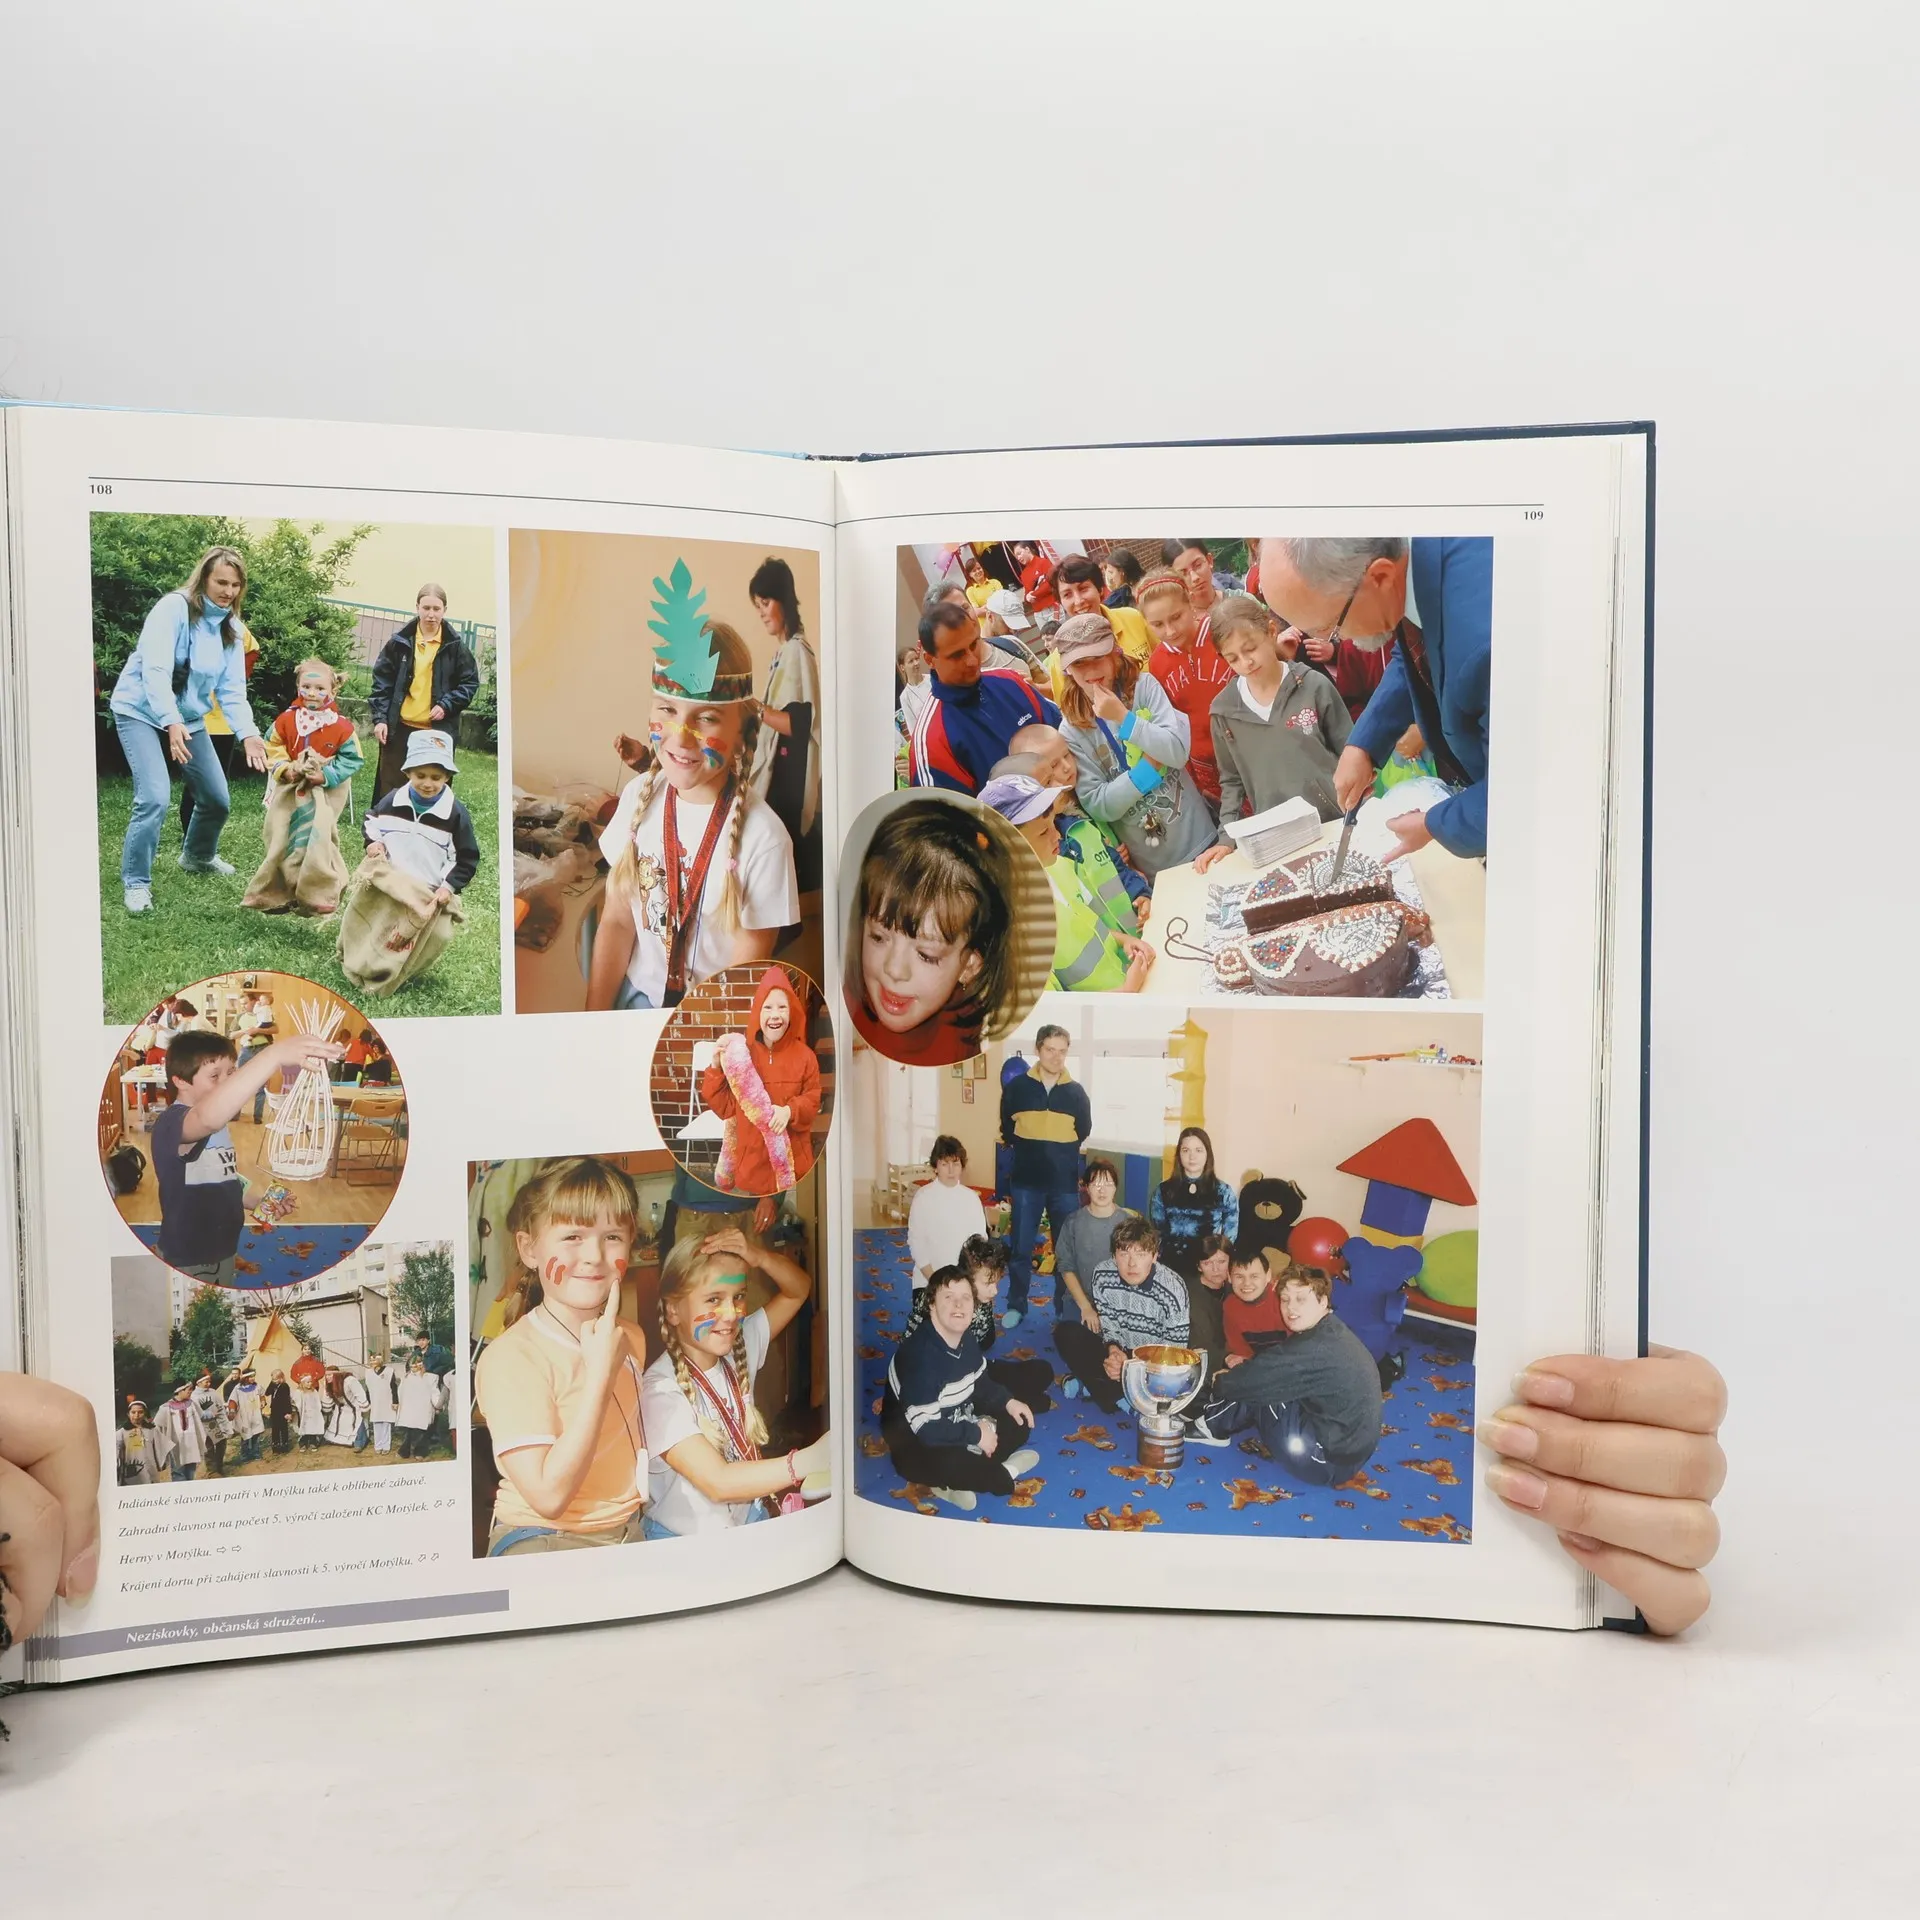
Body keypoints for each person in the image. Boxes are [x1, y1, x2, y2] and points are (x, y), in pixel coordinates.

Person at [590, 620, 798, 1011]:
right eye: (668, 709)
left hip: (709, 1021)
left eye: (706, 718)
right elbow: (617, 922)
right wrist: (593, 1019)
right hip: (634, 1001)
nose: (682, 735)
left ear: (743, 731)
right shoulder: (637, 798)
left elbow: (744, 977)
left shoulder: (765, 840)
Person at [1258, 536, 1491, 862]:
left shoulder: (1484, 639)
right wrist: (1363, 745)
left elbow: (1524, 794)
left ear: (1379, 577)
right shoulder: (1408, 572)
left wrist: (1434, 825)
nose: (1338, 642)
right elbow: (1414, 652)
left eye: (1331, 630)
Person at [473, 1158, 651, 1552]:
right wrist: (600, 1377)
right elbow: (548, 1498)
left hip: (628, 1531)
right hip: (547, 1538)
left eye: (612, 1236)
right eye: (572, 1236)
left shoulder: (632, 1337)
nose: (594, 1255)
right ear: (529, 1249)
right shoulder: (512, 1357)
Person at [109, 544, 268, 915]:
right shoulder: (172, 609)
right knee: (154, 797)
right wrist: (171, 720)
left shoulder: (231, 628)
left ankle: (197, 856)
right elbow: (156, 671)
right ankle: (136, 882)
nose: (228, 591)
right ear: (204, 579)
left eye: (236, 585)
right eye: (221, 582)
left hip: (189, 717)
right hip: (141, 710)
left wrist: (248, 733)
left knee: (216, 798)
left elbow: (232, 690)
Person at [640, 1227, 829, 1537]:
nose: (730, 1314)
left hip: (745, 1520)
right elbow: (718, 1483)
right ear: (673, 1310)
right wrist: (808, 1460)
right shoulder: (659, 1391)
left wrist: (760, 1257)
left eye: (738, 1296)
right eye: (713, 1299)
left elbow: (799, 1289)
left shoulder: (739, 1344)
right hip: (685, 1541)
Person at [149, 1027, 345, 1288]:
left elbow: (219, 1176)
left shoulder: (218, 1126)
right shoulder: (173, 1123)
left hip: (224, 1248)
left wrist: (257, 1201)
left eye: (231, 1073)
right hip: (189, 1255)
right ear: (181, 1081)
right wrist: (274, 1055)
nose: (226, 1082)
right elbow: (206, 1118)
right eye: (214, 1076)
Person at [846, 796, 1019, 1065]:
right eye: (878, 937)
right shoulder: (843, 1013)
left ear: (969, 966)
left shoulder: (965, 1030)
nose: (894, 970)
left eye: (926, 955)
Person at [1194, 593, 1355, 869]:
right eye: (1233, 658)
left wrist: (1361, 803)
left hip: (1334, 822)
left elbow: (1350, 751)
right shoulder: (1223, 712)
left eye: (1250, 649)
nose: (1246, 662)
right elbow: (1231, 781)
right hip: (1277, 841)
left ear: (1271, 632)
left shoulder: (1313, 685)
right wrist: (1226, 837)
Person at [1053, 612, 1215, 879]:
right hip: (1153, 869)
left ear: (1115, 653)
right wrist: (1148, 770)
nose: (1091, 671)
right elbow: (1097, 803)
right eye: (1079, 663)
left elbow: (1176, 752)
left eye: (1098, 657)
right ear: (1066, 669)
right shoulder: (1071, 729)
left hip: (1201, 838)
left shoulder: (1144, 686)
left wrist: (1124, 718)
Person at [1186, 1266, 1382, 1484]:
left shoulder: (1314, 1347)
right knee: (1265, 1374)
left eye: (1301, 1299)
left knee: (1261, 1385)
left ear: (1323, 1301)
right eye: (1285, 1299)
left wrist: (1220, 1382)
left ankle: (1210, 1426)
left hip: (1323, 1462)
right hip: (1347, 1453)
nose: (1291, 1307)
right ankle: (1217, 1416)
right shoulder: (1331, 1331)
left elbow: (1255, 1379)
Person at [882, 1266, 1041, 1512]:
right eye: (949, 1297)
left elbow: (981, 1383)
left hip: (957, 1418)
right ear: (932, 1305)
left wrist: (1009, 1402)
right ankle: (1004, 1471)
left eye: (966, 1298)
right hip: (915, 1441)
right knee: (960, 1467)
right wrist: (977, 1434)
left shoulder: (965, 1338)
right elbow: (927, 1430)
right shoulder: (920, 1357)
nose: (959, 1305)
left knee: (1019, 1421)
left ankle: (961, 1480)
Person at [980, 775, 1155, 995]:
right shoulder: (1010, 927)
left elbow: (1091, 930)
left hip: (1129, 988)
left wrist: (1124, 940)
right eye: (1043, 832)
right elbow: (1053, 1009)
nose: (1057, 836)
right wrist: (1125, 992)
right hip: (1109, 1011)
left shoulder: (1060, 866)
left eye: (1053, 824)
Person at [242, 656, 365, 916]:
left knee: (318, 837)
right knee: (281, 835)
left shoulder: (341, 727)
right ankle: (274, 893)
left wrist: (326, 775)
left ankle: (318, 892)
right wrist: (285, 768)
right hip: (291, 786)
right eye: (306, 687)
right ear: (298, 687)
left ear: (332, 691)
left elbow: (353, 758)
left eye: (320, 688)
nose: (312, 693)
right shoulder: (287, 720)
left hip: (326, 791)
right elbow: (272, 745)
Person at [906, 599, 1061, 794]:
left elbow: (1065, 737)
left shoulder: (1011, 682)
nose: (971, 660)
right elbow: (950, 812)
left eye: (974, 645)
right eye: (957, 655)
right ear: (930, 659)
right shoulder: (931, 741)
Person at [1001, 728, 1152, 924]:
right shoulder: (1048, 849)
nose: (1066, 767)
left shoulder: (1081, 820)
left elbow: (1115, 868)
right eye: (1053, 767)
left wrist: (1139, 890)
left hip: (1135, 922)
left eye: (1067, 754)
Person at [698, 964, 822, 1197]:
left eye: (782, 1007)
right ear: (757, 1012)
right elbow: (725, 1108)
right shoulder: (742, 1056)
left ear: (792, 1011)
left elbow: (813, 1099)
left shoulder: (806, 1057)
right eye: (768, 1007)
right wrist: (715, 1068)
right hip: (751, 1168)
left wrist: (790, 1111)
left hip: (793, 1167)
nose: (775, 1015)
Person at [997, 1022, 1090, 1329]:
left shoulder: (1076, 1093)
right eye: (1050, 1049)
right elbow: (1008, 1128)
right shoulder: (1017, 1089)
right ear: (1038, 1049)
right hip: (1026, 1183)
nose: (1056, 1057)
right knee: (1021, 1250)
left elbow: (1083, 1131)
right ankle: (1017, 1306)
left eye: (1062, 1051)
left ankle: (1063, 1309)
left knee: (1066, 1253)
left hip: (1064, 1187)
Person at [1053, 1216, 1191, 1413]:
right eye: (1124, 1254)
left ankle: (1099, 1389)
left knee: (1177, 1380)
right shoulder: (1102, 1275)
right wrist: (1113, 1350)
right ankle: (1120, 1396)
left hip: (1151, 1362)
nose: (1132, 1264)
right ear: (1114, 1255)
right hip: (1120, 1351)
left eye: (1141, 1254)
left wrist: (1131, 1369)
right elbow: (1109, 1325)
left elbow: (1174, 1352)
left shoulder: (1173, 1289)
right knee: (1066, 1332)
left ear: (1154, 1256)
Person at [746, 555, 823, 896]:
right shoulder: (783, 653)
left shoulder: (796, 652)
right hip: (782, 774)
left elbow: (798, 725)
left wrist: (753, 707)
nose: (762, 613)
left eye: (766, 603)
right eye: (758, 606)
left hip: (788, 780)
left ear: (784, 600)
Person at [368, 583, 480, 803]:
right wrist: (380, 719)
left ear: (444, 610)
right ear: (417, 607)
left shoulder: (456, 647)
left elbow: (469, 683)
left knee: (431, 792)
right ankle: (385, 827)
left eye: (436, 609)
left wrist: (447, 704)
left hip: (436, 733)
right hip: (399, 729)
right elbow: (382, 683)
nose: (431, 614)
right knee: (390, 792)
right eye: (426, 608)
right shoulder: (398, 643)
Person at [1136, 566, 1234, 809]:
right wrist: (1196, 782)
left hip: (1249, 748)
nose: (1170, 630)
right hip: (1207, 770)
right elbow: (1172, 723)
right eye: (1158, 624)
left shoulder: (1221, 632)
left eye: (1176, 617)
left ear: (1190, 602)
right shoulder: (1157, 663)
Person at [361, 728, 481, 908]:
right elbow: (372, 820)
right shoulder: (392, 801)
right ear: (407, 772)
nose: (427, 784)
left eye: (436, 777)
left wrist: (447, 887)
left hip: (428, 893)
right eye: (420, 776)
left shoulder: (455, 814)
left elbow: (466, 859)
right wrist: (373, 842)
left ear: (447, 777)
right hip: (390, 886)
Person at [1048, 1157, 1139, 1390]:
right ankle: (1096, 1377)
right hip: (1080, 1299)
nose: (1102, 1190)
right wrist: (1086, 1307)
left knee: (1124, 1339)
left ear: (1116, 1187)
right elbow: (1066, 1266)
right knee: (1068, 1336)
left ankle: (1086, 1377)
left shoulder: (1128, 1222)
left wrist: (1113, 1311)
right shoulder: (1073, 1222)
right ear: (1086, 1187)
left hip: (1118, 1303)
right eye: (1096, 1184)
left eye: (1108, 1183)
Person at [1150, 1127, 1239, 1280]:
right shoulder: (1163, 1191)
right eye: (1186, 1150)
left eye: (1198, 1150)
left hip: (1208, 1269)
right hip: (1170, 1267)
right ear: (1179, 1155)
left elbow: (1229, 1238)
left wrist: (1214, 1265)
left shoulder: (1223, 1192)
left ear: (1207, 1154)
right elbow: (1158, 1233)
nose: (1192, 1156)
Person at [1049, 554, 1156, 676]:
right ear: (1061, 603)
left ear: (1099, 589)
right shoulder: (1060, 658)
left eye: (1083, 588)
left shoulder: (1132, 618)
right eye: (1067, 595)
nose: (1078, 601)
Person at [906, 1135, 988, 1291]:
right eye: (945, 1164)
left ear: (962, 1166)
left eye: (955, 1164)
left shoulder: (971, 1198)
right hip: (928, 1281)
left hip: (963, 1280)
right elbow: (917, 1243)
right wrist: (935, 1281)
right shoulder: (923, 1197)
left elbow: (979, 1241)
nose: (951, 1170)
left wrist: (967, 1280)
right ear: (935, 1167)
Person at [1186, 1232, 1236, 1382]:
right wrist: (1226, 1357)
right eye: (1207, 1263)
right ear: (1199, 1266)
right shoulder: (1188, 1294)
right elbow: (1198, 1341)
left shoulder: (1236, 1290)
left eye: (1221, 1262)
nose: (1216, 1269)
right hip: (1198, 1367)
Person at [1223, 1248, 1287, 1364]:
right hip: (1258, 1366)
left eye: (1254, 1276)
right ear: (1229, 1277)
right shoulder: (1230, 1306)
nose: (1247, 1283)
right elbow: (1241, 1351)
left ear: (1268, 1276)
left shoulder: (1284, 1299)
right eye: (1239, 1277)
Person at [158, 1384, 208, 1481]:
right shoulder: (166, 1407)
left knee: (191, 1469)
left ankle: (189, 1486)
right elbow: (158, 1425)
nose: (191, 1392)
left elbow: (201, 1415)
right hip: (177, 1444)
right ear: (180, 1391)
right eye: (188, 1390)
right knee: (178, 1470)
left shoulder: (192, 1404)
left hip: (192, 1442)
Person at [395, 1355, 441, 1460]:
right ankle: (404, 1452)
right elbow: (400, 1392)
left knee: (422, 1432)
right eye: (412, 1365)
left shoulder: (430, 1378)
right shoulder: (406, 1378)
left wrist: (438, 1405)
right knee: (409, 1432)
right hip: (409, 1409)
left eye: (417, 1364)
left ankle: (420, 1452)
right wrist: (399, 1404)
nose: (414, 1367)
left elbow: (434, 1393)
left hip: (423, 1408)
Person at [188, 1369, 232, 1476]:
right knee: (209, 1448)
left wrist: (224, 1413)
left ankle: (219, 1466)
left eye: (209, 1381)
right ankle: (212, 1471)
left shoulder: (212, 1392)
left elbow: (220, 1405)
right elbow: (196, 1413)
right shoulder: (194, 1396)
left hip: (218, 1424)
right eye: (206, 1382)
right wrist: (210, 1414)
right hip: (205, 1426)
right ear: (198, 1383)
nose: (208, 1383)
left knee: (221, 1445)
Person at [117, 1399, 169, 1485]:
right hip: (130, 1470)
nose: (136, 1415)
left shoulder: (152, 1430)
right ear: (128, 1414)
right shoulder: (121, 1433)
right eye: (133, 1412)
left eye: (140, 1412)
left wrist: (161, 1463)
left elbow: (161, 1448)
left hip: (150, 1468)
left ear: (145, 1413)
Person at [224, 1365, 266, 1465]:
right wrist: (232, 1411)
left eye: (254, 1376)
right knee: (245, 1436)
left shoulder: (257, 1386)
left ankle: (255, 1453)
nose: (253, 1378)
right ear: (245, 1378)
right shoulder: (238, 1388)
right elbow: (233, 1401)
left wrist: (263, 1401)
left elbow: (262, 1395)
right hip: (244, 1416)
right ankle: (245, 1455)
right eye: (251, 1377)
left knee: (256, 1434)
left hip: (255, 1415)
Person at [1011, 540, 1058, 622]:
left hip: (1052, 607)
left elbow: (1051, 583)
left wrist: (1033, 595)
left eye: (1019, 553)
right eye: (1016, 556)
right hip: (1038, 613)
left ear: (1027, 549)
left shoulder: (1043, 562)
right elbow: (1027, 593)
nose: (1018, 558)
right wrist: (1027, 598)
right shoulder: (1024, 574)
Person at [365, 1353, 399, 1454]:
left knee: (386, 1423)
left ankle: (386, 1446)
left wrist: (395, 1401)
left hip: (387, 1401)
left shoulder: (389, 1371)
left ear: (379, 1361)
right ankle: (378, 1445)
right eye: (371, 1360)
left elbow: (394, 1387)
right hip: (375, 1401)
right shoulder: (368, 1373)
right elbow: (367, 1389)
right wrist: (368, 1402)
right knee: (376, 1423)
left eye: (374, 1360)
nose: (372, 1362)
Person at [293, 1373, 329, 1451]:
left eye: (310, 1382)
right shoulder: (299, 1392)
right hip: (304, 1414)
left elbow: (317, 1401)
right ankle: (303, 1443)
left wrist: (318, 1410)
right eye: (308, 1382)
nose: (310, 1383)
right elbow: (297, 1402)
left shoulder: (314, 1391)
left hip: (313, 1413)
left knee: (312, 1428)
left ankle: (313, 1443)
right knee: (304, 1428)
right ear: (303, 1382)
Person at [265, 1370, 295, 1454]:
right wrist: (271, 1383)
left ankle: (284, 1446)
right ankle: (276, 1447)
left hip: (282, 1410)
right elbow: (267, 1393)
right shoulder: (274, 1385)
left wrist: (288, 1412)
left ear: (281, 1378)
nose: (274, 1381)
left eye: (275, 1379)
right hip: (274, 1410)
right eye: (272, 1379)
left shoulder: (284, 1386)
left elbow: (286, 1400)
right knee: (275, 1428)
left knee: (283, 1428)